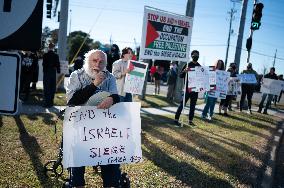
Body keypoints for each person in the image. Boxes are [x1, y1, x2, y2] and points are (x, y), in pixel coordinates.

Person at [66, 49, 122, 187]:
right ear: (87, 61)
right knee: (78, 154)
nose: (98, 64)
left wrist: (112, 99)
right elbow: (72, 101)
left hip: (103, 127)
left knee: (110, 159)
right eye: (94, 60)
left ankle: (111, 183)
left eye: (101, 62)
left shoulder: (110, 77)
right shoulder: (76, 76)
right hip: (80, 125)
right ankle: (77, 183)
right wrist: (94, 84)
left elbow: (116, 96)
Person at [174, 50, 201, 126]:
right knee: (182, 104)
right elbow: (180, 75)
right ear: (191, 56)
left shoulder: (200, 66)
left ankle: (190, 120)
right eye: (194, 55)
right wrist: (184, 71)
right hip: (187, 89)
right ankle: (176, 119)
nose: (196, 56)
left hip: (195, 90)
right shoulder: (188, 64)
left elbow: (202, 78)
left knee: (193, 106)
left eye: (197, 55)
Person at [42, 43, 60, 108]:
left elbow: (43, 64)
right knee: (52, 88)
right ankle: (51, 103)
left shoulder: (45, 55)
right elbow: (57, 64)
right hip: (53, 72)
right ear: (53, 48)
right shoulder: (56, 55)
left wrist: (44, 71)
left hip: (47, 73)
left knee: (46, 88)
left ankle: (46, 103)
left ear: (48, 47)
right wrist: (58, 71)